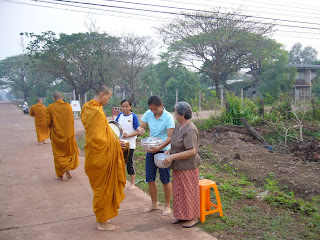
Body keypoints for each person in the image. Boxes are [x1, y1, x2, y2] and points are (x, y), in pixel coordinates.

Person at [81, 85, 127, 231]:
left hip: (94, 155)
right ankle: (102, 222)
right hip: (101, 157)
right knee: (103, 189)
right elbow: (99, 139)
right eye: (108, 97)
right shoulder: (96, 112)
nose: (108, 100)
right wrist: (115, 143)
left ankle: (103, 218)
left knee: (100, 189)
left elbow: (101, 133)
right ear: (102, 94)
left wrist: (114, 140)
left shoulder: (87, 108)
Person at [163, 101, 202, 228]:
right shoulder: (178, 127)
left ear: (183, 114)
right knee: (179, 192)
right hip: (178, 166)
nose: (175, 115)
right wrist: (170, 151)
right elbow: (176, 144)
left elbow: (192, 150)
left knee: (188, 192)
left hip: (188, 166)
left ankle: (193, 217)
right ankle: (181, 215)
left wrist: (173, 156)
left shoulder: (190, 129)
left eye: (176, 113)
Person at [137, 95, 175, 216]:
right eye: (151, 109)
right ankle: (154, 203)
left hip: (164, 151)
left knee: (165, 179)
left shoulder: (168, 117)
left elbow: (170, 137)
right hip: (151, 149)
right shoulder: (149, 113)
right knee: (150, 178)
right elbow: (141, 126)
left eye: (155, 109)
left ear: (161, 105)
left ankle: (167, 205)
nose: (153, 111)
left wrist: (158, 148)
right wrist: (140, 129)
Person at [46, 92, 79, 180]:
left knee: (58, 155)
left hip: (57, 136)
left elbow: (47, 122)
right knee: (68, 152)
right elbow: (71, 120)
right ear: (62, 98)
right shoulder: (68, 106)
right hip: (68, 134)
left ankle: (60, 175)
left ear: (53, 98)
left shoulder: (50, 107)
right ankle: (67, 169)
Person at [116, 99, 140, 190]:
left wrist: (128, 135)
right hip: (120, 143)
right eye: (123, 106)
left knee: (129, 163)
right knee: (119, 162)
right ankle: (120, 181)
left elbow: (137, 130)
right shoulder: (120, 116)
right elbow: (116, 127)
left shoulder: (133, 117)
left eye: (126, 106)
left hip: (130, 144)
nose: (124, 108)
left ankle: (133, 183)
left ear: (130, 107)